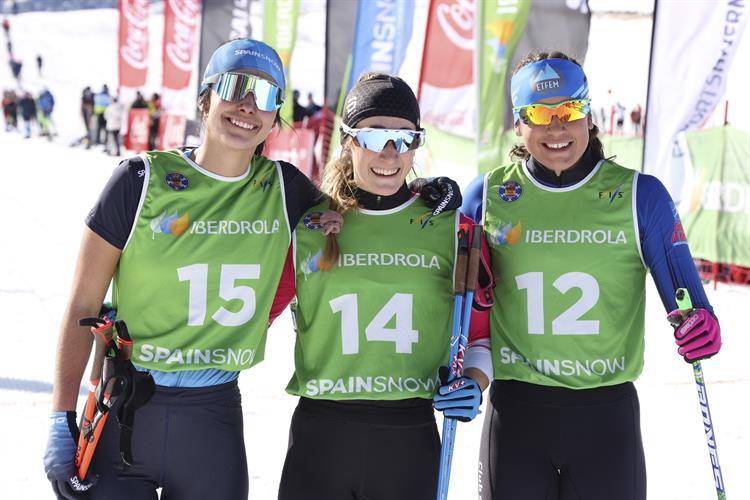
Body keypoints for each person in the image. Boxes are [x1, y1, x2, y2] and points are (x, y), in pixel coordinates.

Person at [42, 39, 455, 500]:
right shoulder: (139, 181)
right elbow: (82, 304)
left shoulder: (285, 189)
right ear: (206, 97)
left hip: (212, 420)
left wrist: (422, 186)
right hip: (126, 410)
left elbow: (367, 198)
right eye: (236, 87)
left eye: (265, 96)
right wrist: (61, 416)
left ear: (276, 114)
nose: (247, 107)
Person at [461, 51, 722, 500]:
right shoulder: (487, 198)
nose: (557, 127)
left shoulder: (640, 196)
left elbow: (692, 306)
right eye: (540, 114)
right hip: (518, 413)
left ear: (590, 116)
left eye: (570, 111)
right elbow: (461, 311)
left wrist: (703, 328)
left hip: (606, 417)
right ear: (519, 125)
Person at [277, 73, 493, 500]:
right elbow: (251, 313)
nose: (390, 154)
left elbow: (481, 334)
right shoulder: (308, 227)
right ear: (348, 140)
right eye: (375, 137)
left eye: (405, 138)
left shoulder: (454, 228)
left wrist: (474, 381)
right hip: (322, 435)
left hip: (409, 435)